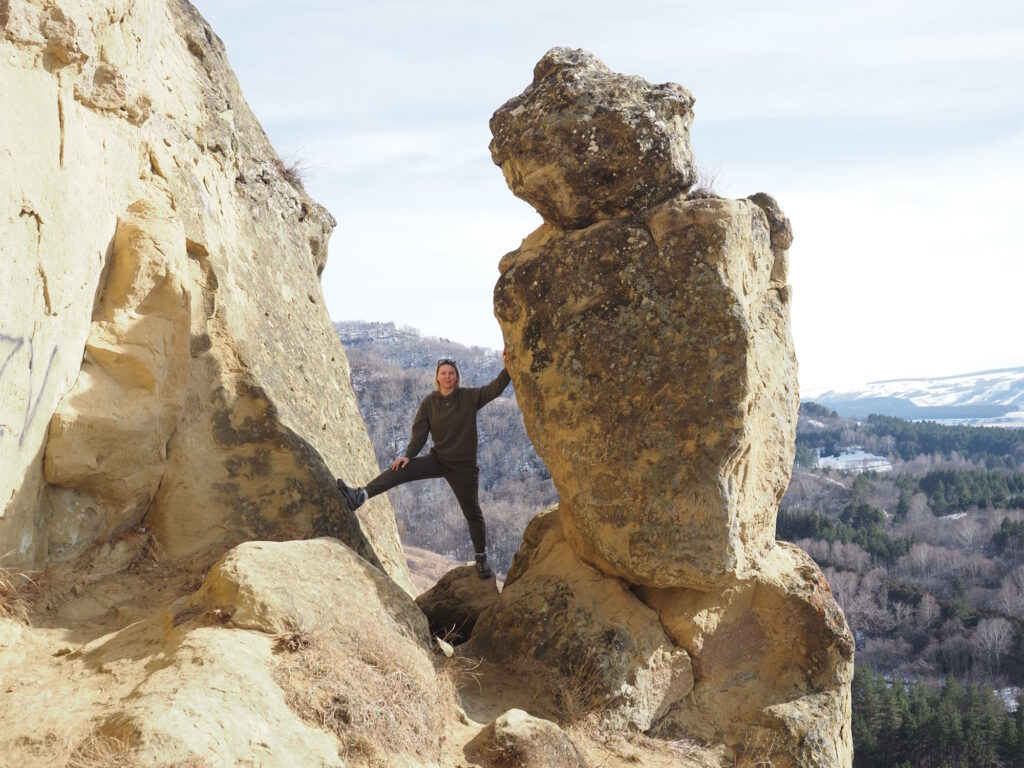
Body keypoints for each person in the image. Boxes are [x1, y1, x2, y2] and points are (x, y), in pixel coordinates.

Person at [337, 353, 512, 579]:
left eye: (451, 373)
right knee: (400, 470)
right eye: (443, 373)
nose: (447, 377)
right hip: (439, 460)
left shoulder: (469, 397)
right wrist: (408, 455)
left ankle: (481, 558)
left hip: (464, 468)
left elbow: (495, 389)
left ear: (457, 377)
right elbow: (419, 434)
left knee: (473, 513)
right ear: (437, 378)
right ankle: (360, 495)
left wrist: (508, 369)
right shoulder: (429, 403)